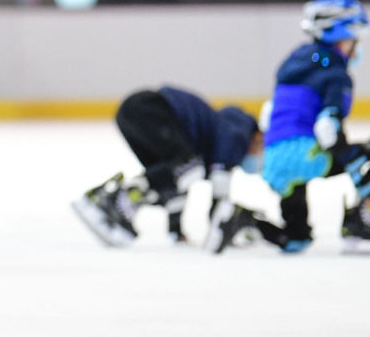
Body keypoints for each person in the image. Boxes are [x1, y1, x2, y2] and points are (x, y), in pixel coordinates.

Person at [209, 0, 370, 255]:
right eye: (354, 41)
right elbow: (327, 130)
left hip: (274, 161)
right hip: (306, 156)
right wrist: (360, 176)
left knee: (296, 238)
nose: (356, 48)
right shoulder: (335, 75)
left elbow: (270, 115)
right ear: (343, 39)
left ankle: (243, 219)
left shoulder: (294, 62)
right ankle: (359, 220)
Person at [72, 85, 263, 247]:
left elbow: (178, 185)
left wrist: (176, 230)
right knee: (190, 167)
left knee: (174, 174)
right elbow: (220, 193)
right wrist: (223, 225)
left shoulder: (215, 136)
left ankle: (116, 198)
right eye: (261, 148)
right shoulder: (238, 132)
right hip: (150, 109)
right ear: (258, 136)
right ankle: (118, 199)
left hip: (133, 111)